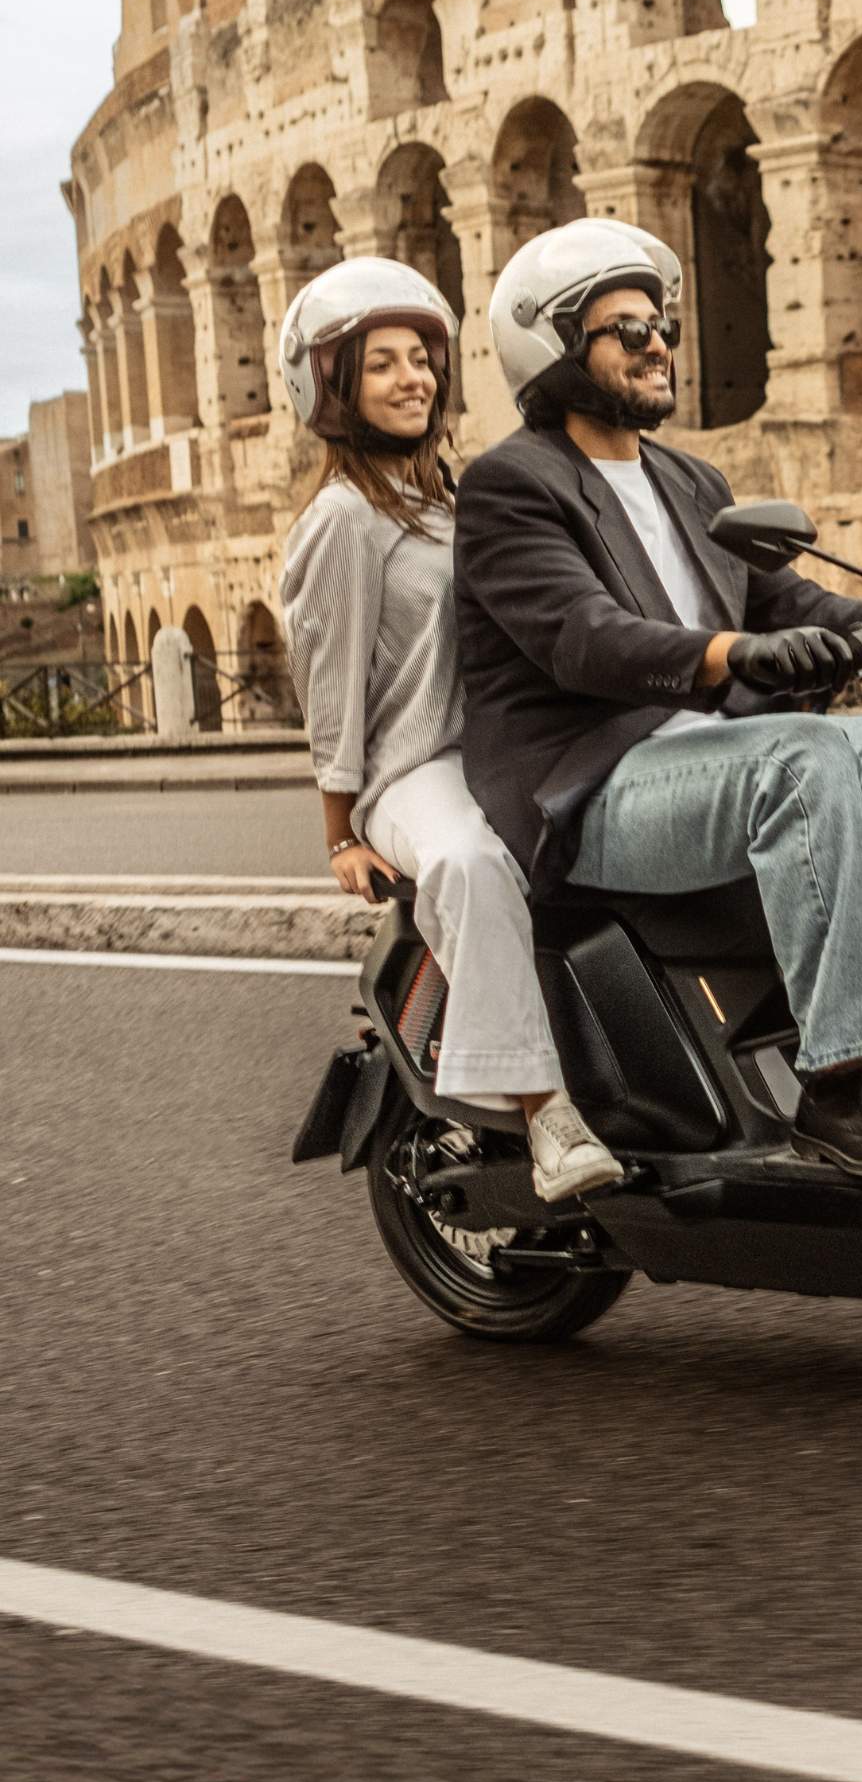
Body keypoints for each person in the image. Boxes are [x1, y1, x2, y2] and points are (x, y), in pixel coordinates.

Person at [455, 219, 862, 1180]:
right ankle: (838, 1088)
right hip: (597, 789)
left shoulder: (688, 479)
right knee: (804, 758)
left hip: (716, 764)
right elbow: (583, 639)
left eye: (662, 325)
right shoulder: (512, 485)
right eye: (628, 330)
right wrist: (732, 653)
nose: (659, 343)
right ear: (554, 348)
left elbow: (805, 605)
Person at [276, 256, 624, 1203]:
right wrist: (341, 831)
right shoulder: (344, 521)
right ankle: (547, 1115)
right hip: (412, 772)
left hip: (504, 749)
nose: (412, 378)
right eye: (381, 363)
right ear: (332, 385)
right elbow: (331, 686)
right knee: (470, 865)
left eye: (423, 358)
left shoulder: (459, 497)